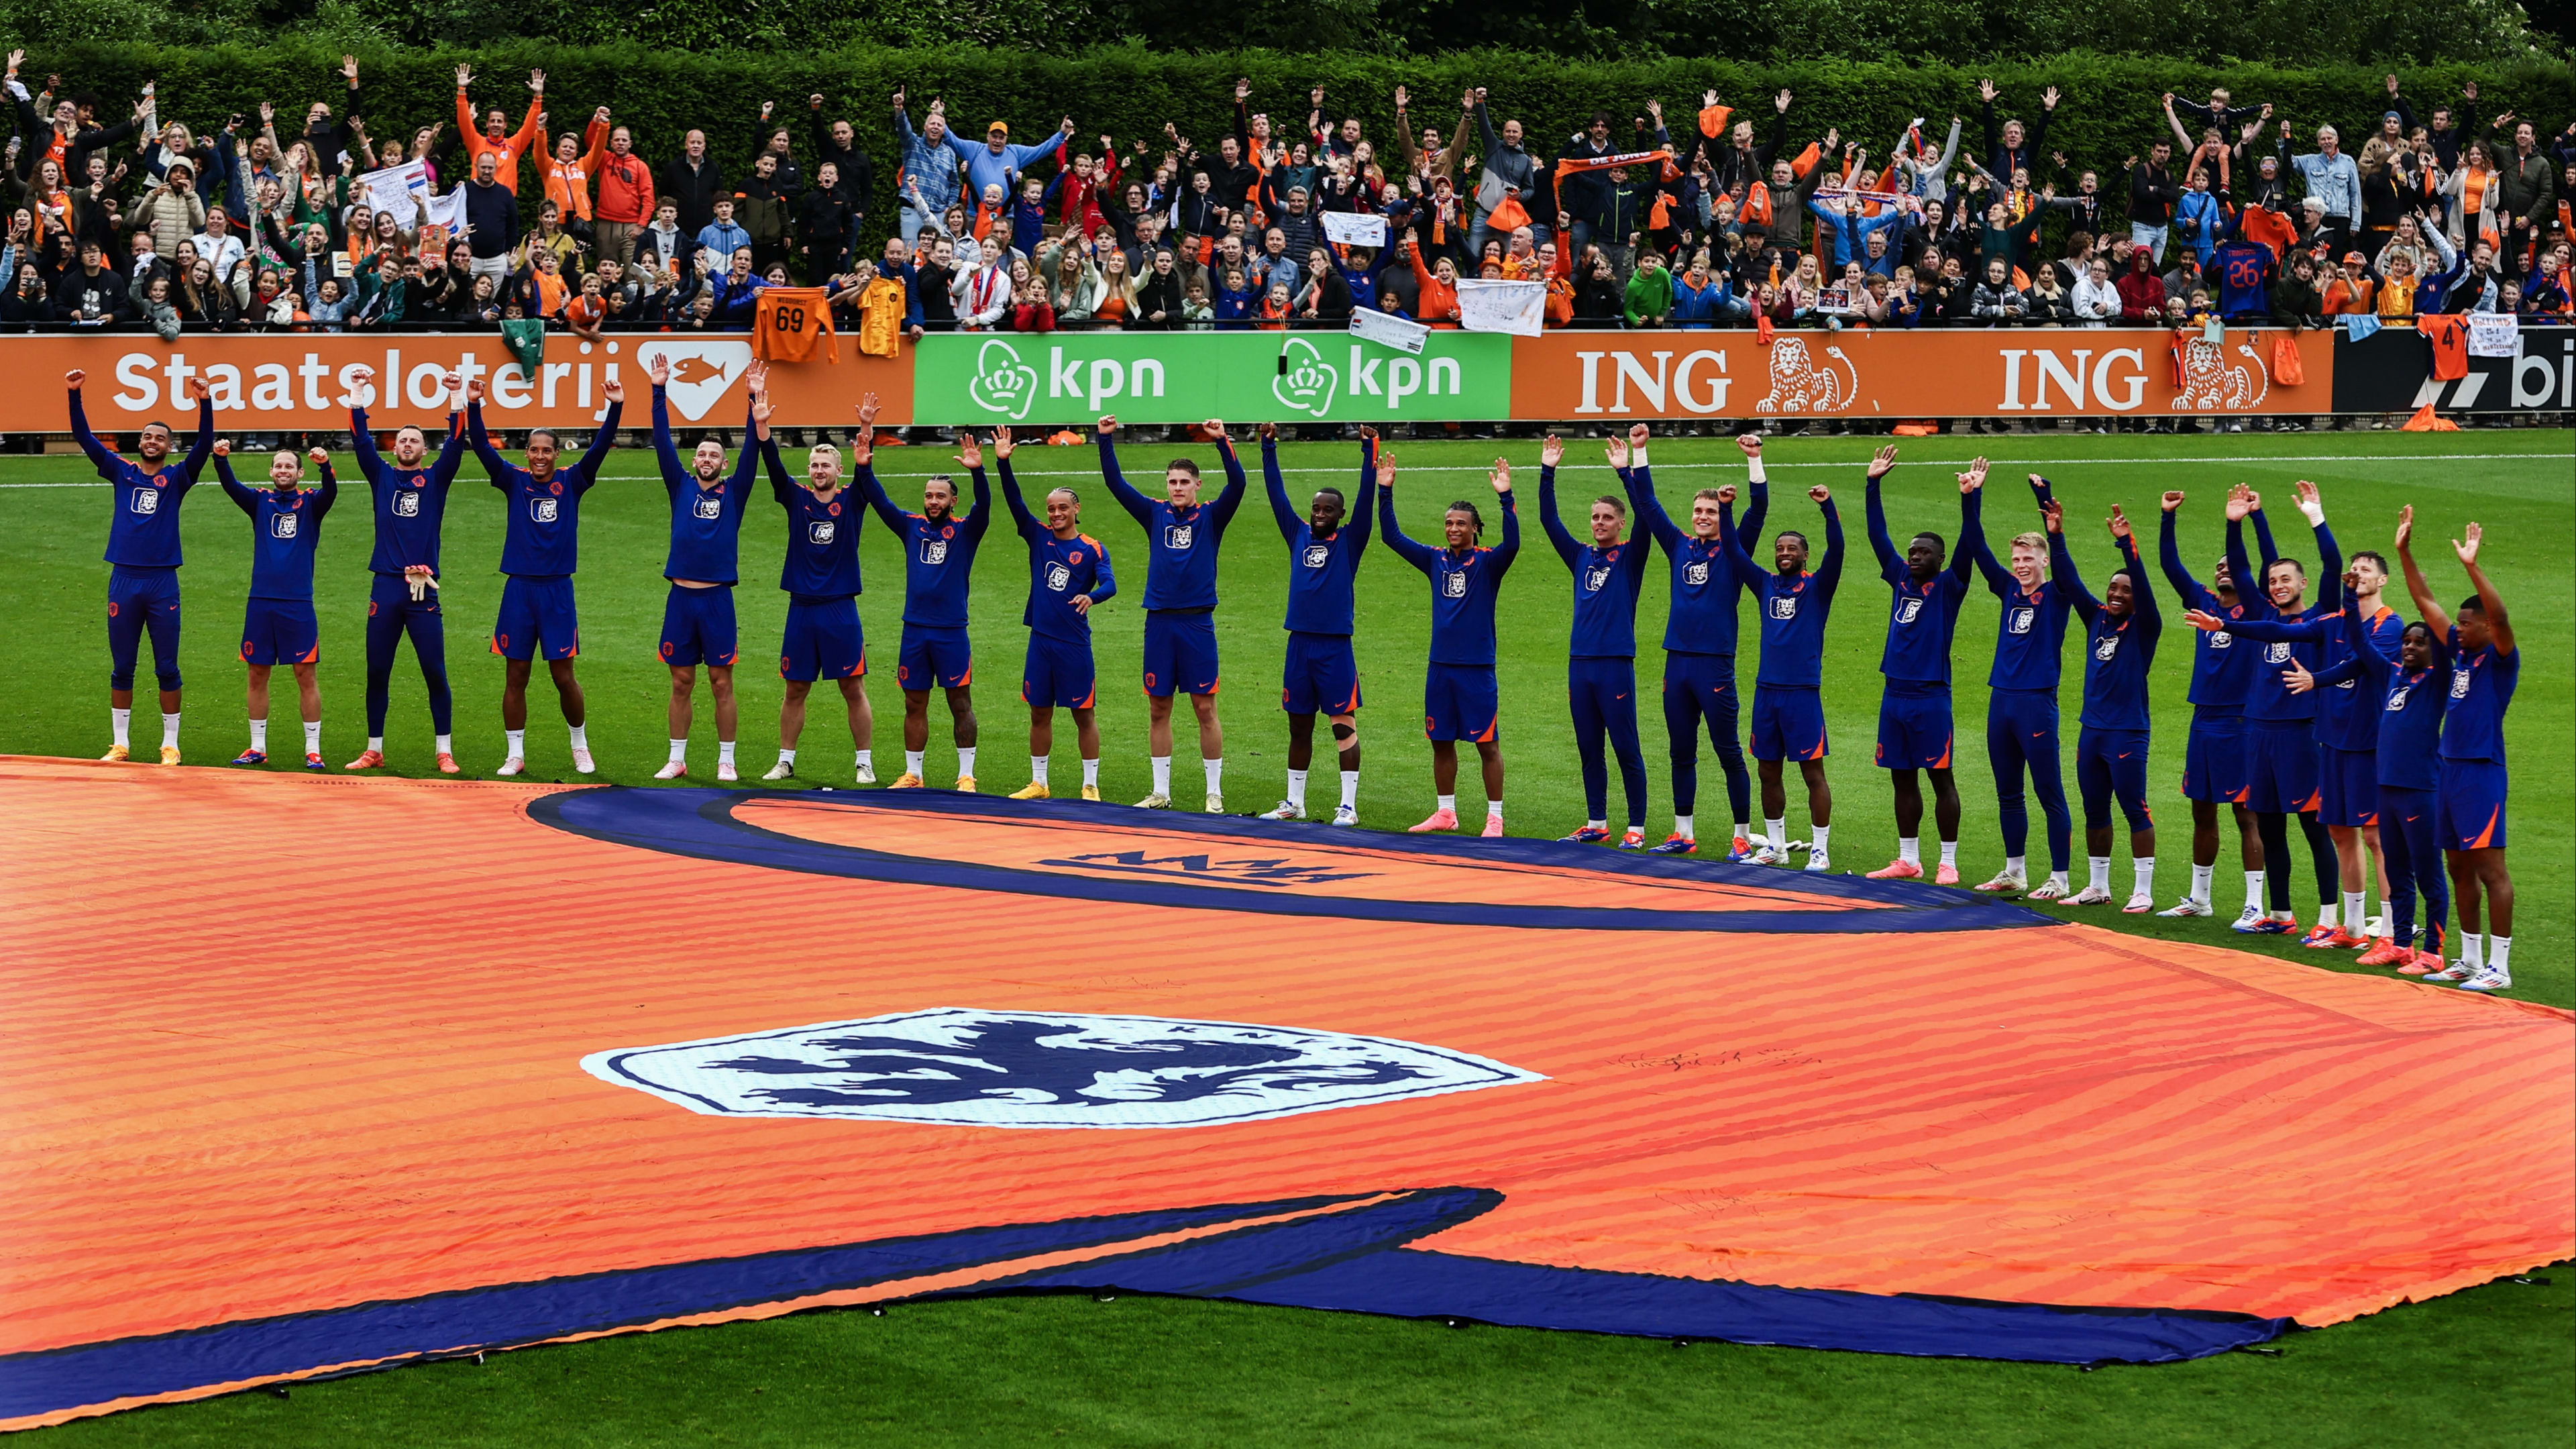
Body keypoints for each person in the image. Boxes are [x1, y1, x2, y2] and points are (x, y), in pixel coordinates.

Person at [464, 371, 625, 777]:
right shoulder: (512, 480)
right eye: (533, 450)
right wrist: (474, 404)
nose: (538, 456)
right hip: (518, 590)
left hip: (557, 592)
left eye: (546, 451)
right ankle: (515, 754)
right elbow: (482, 446)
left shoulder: (572, 481)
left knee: (562, 675)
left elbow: (601, 448)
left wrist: (616, 408)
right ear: (527, 454)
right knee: (515, 674)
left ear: (557, 454)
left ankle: (580, 744)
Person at [1095, 413, 1248, 812]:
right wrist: (1105, 439)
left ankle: (1213, 791)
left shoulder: (1213, 516)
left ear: (1198, 485)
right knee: (1158, 706)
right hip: (1159, 621)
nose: (1177, 488)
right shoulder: (1154, 513)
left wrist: (1221, 441)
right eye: (1172, 482)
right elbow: (1115, 484)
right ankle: (1161, 791)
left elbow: (1240, 484)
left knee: (1204, 707)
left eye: (1184, 482)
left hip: (1197, 622)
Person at [1625, 433, 1765, 857]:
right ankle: (1683, 834)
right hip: (1678, 664)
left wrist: (1754, 461)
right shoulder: (1679, 545)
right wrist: (1640, 450)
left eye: (1710, 511)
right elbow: (1647, 505)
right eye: (1698, 511)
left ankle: (1741, 835)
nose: (1703, 516)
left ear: (1721, 515)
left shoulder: (1735, 552)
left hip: (1715, 665)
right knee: (1680, 751)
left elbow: (1758, 511)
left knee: (1728, 753)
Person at [2396, 513, 2516, 991]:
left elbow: (2502, 617)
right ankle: (2468, 958)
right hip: (2449, 770)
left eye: (2467, 624)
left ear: (2486, 625)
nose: (2458, 631)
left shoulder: (2501, 657)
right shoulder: (2463, 653)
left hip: (2481, 772)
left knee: (2491, 868)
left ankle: (2500, 967)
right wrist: (2404, 554)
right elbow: (2425, 602)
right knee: (2457, 865)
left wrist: (2472, 566)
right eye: (2460, 624)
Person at [68, 369, 213, 765]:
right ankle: (120, 744)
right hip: (124, 580)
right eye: (148, 435)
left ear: (169, 446)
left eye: (160, 437)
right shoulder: (122, 471)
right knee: (122, 666)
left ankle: (171, 744)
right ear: (141, 442)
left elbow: (203, 447)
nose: (153, 441)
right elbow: (85, 439)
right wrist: (74, 395)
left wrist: (205, 402)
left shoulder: (179, 476)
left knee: (167, 665)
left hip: (162, 581)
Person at [2223, 482, 2344, 936]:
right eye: (2272, 581)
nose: (2277, 586)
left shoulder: (2322, 616)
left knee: (2314, 828)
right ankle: (2281, 914)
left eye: (2286, 579)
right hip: (2259, 732)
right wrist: (2235, 524)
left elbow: (2333, 564)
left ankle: (2330, 918)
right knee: (2269, 826)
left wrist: (2317, 518)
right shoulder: (2264, 615)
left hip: (2301, 732)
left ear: (2304, 583)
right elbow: (2238, 568)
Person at [1379, 452, 1518, 836]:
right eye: (1448, 523)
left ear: (1475, 528)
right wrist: (1385, 491)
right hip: (1440, 667)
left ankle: (1495, 817)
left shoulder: (1489, 563)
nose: (1453, 528)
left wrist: (1506, 498)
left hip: (1476, 669)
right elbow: (1391, 537)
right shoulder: (1435, 560)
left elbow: (1514, 544)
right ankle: (1445, 813)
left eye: (1461, 523)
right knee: (1440, 741)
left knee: (1486, 744)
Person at [1860, 449, 1983, 883]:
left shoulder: (1950, 586)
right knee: (1901, 778)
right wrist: (1873, 484)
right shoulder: (1899, 579)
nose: (1914, 556)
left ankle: (1948, 860)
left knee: (1941, 778)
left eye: (1923, 552)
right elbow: (1878, 536)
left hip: (1931, 695)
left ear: (1939, 559)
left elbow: (1970, 542)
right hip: (1894, 693)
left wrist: (1972, 497)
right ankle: (1908, 859)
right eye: (1912, 550)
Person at [648, 354, 771, 783]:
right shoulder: (678, 484)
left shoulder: (735, 492)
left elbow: (754, 450)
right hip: (680, 598)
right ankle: (677, 758)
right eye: (700, 453)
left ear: (723, 463)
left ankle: (726, 759)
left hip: (717, 599)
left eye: (714, 454)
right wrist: (659, 390)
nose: (705, 458)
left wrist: (752, 401)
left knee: (722, 683)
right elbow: (663, 440)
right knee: (681, 682)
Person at [1717, 468, 1843, 872]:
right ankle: (1776, 847)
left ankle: (1820, 849)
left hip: (1802, 693)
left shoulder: (1817, 587)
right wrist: (1724, 510)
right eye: (1780, 548)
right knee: (1767, 771)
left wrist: (1828, 509)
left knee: (1812, 773)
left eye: (1793, 548)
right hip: (1766, 692)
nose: (1785, 552)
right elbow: (1735, 553)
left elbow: (1838, 550)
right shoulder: (1765, 583)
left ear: (1805, 555)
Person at [2152, 489, 2268, 923]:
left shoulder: (2257, 611)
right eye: (2217, 565)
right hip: (2203, 719)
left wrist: (2244, 520)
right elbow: (2169, 566)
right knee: (2201, 807)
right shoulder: (2201, 601)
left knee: (2245, 813)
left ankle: (2255, 905)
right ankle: (2200, 899)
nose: (2222, 568)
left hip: (2241, 721)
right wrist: (2167, 517)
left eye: (2229, 565)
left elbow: (2245, 563)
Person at [343, 369, 466, 774]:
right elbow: (360, 441)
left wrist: (454, 397)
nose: (408, 444)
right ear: (394, 447)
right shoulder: (381, 476)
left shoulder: (436, 478)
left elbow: (458, 441)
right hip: (386, 587)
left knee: (434, 670)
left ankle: (444, 750)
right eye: (402, 439)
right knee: (377, 670)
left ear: (425, 450)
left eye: (415, 440)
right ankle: (374, 748)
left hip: (423, 590)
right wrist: (357, 393)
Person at [861, 430, 994, 792]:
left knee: (960, 702)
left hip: (951, 631)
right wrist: (864, 468)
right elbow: (880, 501)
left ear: (954, 500)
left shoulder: (966, 532)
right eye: (929, 495)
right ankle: (913, 775)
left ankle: (966, 774)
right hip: (915, 630)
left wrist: (979, 472)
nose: (933, 501)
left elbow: (985, 507)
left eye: (940, 496)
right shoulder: (911, 526)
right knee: (913, 702)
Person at [1256, 421, 1375, 825]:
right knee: (1299, 727)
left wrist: (1369, 450)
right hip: (1299, 645)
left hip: (1335, 647)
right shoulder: (1298, 534)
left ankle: (1348, 806)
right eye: (1316, 508)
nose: (1320, 514)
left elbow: (1367, 498)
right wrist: (1268, 448)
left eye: (1328, 510)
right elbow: (1276, 495)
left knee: (1343, 727)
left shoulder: (1351, 540)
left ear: (1341, 516)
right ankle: (1294, 802)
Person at [757, 398, 877, 785]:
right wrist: (763, 430)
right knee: (795, 688)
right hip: (802, 608)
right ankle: (785, 761)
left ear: (839, 471)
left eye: (826, 465)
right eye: (814, 465)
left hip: (840, 608)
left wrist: (866, 427)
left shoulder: (852, 500)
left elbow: (866, 471)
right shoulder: (796, 498)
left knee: (852, 687)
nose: (819, 470)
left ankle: (864, 763)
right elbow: (774, 468)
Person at [1544, 429, 1654, 847]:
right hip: (1581, 664)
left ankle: (1637, 828)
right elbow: (1549, 522)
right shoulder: (1580, 556)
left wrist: (1627, 472)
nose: (1599, 523)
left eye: (1607, 518)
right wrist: (1547, 472)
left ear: (1621, 523)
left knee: (1626, 747)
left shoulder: (1631, 555)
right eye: (1595, 517)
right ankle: (1596, 823)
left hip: (1614, 665)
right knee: (1589, 747)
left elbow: (1647, 514)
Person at [1967, 476, 2075, 898]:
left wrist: (2045, 501)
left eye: (2029, 557)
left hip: (2036, 703)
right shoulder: (2009, 589)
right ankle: (2014, 871)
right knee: (2008, 790)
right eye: (2017, 558)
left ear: (2044, 560)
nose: (2021, 565)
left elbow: (2064, 564)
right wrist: (1970, 496)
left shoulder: (2060, 593)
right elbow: (1977, 548)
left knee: (2048, 790)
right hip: (2002, 701)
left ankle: (2061, 878)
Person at [994, 425, 1116, 802]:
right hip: (1042, 641)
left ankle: (1090, 784)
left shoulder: (1093, 548)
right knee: (1039, 713)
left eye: (1063, 507)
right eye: (1051, 508)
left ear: (1076, 509)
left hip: (1075, 644)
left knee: (1083, 715)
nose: (1057, 513)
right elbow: (1014, 502)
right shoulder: (1038, 536)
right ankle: (1039, 783)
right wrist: (1003, 464)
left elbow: (1110, 585)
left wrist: (1091, 599)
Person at [2055, 500, 2161, 910]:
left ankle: (2143, 890)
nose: (2117, 594)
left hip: (2127, 730)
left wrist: (2127, 548)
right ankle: (2098, 886)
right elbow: (2068, 579)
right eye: (2113, 588)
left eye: (2125, 590)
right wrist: (2056, 535)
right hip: (2093, 729)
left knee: (2134, 807)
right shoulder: (2097, 617)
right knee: (2095, 807)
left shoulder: (2145, 626)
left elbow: (2146, 592)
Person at [213, 441, 337, 769]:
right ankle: (256, 747)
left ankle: (313, 749)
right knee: (256, 673)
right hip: (261, 602)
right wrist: (221, 460)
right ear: (271, 472)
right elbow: (230, 487)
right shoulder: (259, 501)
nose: (283, 471)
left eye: (289, 467)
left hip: (297, 603)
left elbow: (331, 492)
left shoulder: (311, 504)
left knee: (305, 675)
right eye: (278, 466)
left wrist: (326, 467)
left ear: (299, 473)